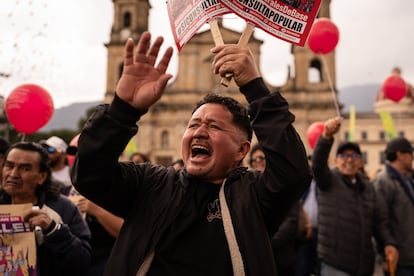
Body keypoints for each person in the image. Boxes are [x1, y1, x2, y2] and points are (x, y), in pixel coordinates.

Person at [71, 31, 311, 275]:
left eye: (214, 126)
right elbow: (90, 176)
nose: (200, 132)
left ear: (242, 150)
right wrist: (122, 110)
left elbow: (293, 172)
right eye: (194, 125)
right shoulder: (150, 185)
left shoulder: (253, 197)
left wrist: (254, 87)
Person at [312, 116, 398, 276]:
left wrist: (388, 244)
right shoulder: (328, 180)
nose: (349, 160)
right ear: (336, 161)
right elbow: (317, 164)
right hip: (335, 264)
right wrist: (326, 137)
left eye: (354, 156)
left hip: (364, 266)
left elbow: (379, 223)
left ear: (360, 162)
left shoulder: (369, 188)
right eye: (344, 156)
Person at [1, 141, 91, 275]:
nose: (13, 174)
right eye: (9, 166)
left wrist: (53, 230)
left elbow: (82, 262)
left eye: (25, 168)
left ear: (42, 177)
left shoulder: (64, 208)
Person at [249, 143, 300, 276]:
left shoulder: (284, 185)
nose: (258, 162)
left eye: (262, 158)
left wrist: (263, 245)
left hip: (280, 258)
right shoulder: (248, 188)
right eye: (254, 160)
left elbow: (290, 223)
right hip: (257, 261)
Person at [372, 137, 414, 276]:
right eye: (410, 152)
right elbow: (379, 221)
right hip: (399, 260)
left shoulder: (408, 179)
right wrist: (386, 251)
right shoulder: (383, 182)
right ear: (399, 154)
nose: (412, 157)